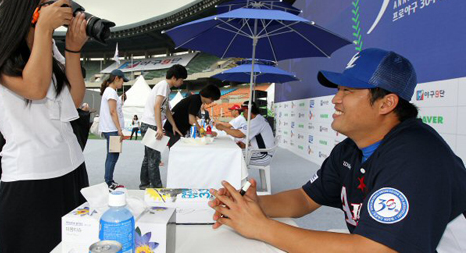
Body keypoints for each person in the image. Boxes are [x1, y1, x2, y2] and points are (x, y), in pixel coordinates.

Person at [208, 48, 466, 252]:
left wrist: (261, 227)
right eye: (338, 89)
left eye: (348, 90)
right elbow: (304, 199)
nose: (335, 99)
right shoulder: (351, 149)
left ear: (387, 103)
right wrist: (252, 205)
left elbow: (377, 250)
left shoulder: (417, 156)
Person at [0, 0, 89, 252]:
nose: (61, 10)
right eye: (54, 2)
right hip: (30, 177)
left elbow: (73, 99)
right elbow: (33, 88)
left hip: (72, 168)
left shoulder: (46, 41)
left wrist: (73, 50)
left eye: (65, 4)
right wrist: (44, 30)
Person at [140, 64, 187, 189]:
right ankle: (157, 187)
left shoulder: (166, 88)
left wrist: (174, 125)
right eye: (181, 80)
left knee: (148, 157)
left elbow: (165, 109)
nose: (182, 83)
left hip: (148, 123)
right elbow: (157, 106)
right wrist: (159, 128)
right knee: (154, 160)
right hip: (151, 125)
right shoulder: (163, 86)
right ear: (174, 77)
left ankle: (144, 183)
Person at [216, 101, 275, 166]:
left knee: (232, 157)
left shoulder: (256, 121)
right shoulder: (258, 118)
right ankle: (238, 176)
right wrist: (244, 144)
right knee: (232, 154)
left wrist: (223, 128)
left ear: (247, 110)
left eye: (243, 111)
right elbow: (257, 138)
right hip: (260, 151)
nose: (243, 114)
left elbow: (238, 134)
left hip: (263, 155)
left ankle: (237, 176)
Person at [99, 69, 129, 190]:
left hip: (110, 129)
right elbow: (113, 112)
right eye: (122, 80)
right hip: (112, 129)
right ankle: (108, 182)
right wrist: (119, 130)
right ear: (116, 78)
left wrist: (121, 101)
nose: (123, 84)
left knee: (112, 156)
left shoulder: (110, 91)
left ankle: (109, 180)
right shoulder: (111, 92)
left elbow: (113, 109)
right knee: (113, 156)